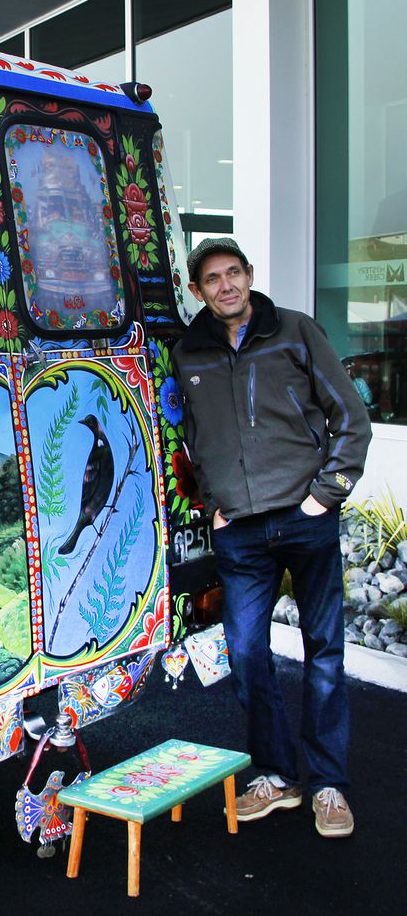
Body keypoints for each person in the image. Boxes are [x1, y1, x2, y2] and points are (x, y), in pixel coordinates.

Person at [173, 237, 371, 838]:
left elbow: (349, 418)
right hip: (242, 534)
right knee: (247, 653)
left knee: (325, 654)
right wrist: (213, 504)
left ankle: (329, 785)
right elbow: (194, 439)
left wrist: (323, 495)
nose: (226, 285)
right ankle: (277, 775)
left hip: (305, 518)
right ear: (197, 291)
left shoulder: (295, 331)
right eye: (213, 278)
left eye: (234, 273)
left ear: (250, 276)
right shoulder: (190, 353)